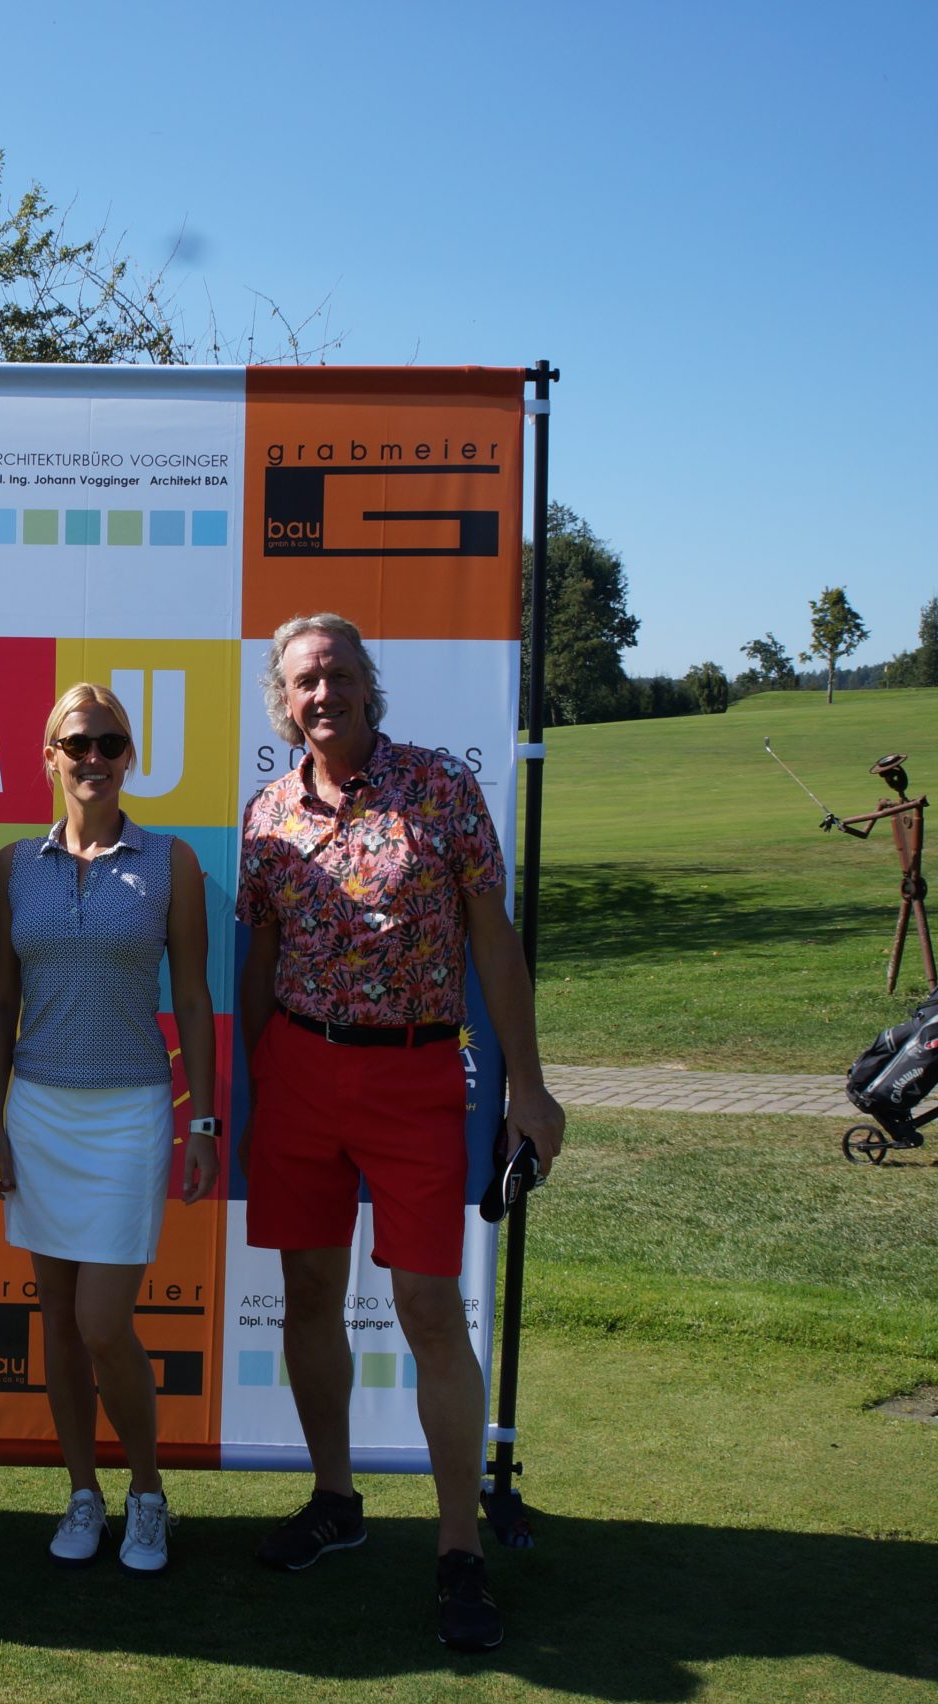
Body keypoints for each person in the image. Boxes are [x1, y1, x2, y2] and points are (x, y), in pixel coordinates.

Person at [235, 613, 565, 1652]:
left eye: (337, 674)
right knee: (306, 1295)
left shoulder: (442, 788)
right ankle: (335, 1500)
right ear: (283, 701)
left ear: (367, 684)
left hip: (417, 1074)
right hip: (298, 1074)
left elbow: (494, 943)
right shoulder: (266, 814)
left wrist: (529, 1088)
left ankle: (458, 1547)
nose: (321, 693)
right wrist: (256, 1080)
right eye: (303, 681)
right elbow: (259, 959)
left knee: (427, 1306)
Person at [0, 682, 219, 1576]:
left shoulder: (172, 863)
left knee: (101, 1323)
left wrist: (205, 1120)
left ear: (130, 758)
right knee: (57, 1317)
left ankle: (147, 1493)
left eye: (109, 743)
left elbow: (192, 996)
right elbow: (0, 1000)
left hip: (128, 1114)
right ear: (49, 756)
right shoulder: (14, 865)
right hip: (37, 1111)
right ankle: (83, 1491)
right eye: (76, 742)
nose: (93, 758)